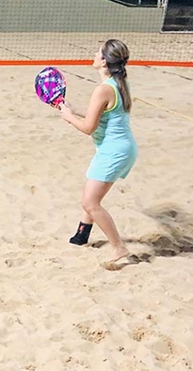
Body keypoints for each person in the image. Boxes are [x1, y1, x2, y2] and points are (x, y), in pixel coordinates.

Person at [59, 38, 138, 268]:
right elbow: (102, 114)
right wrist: (75, 110)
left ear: (104, 61)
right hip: (120, 148)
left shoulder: (103, 89)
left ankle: (119, 247)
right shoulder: (119, 82)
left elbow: (88, 128)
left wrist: (69, 117)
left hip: (114, 151)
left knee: (90, 202)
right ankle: (82, 235)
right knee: (91, 193)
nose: (94, 54)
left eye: (98, 52)